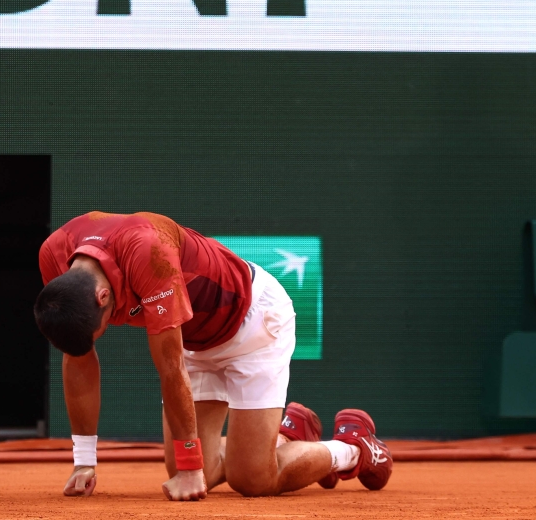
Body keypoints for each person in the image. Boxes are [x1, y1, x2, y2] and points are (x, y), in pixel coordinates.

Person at [34, 212, 392, 501]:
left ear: (101, 297)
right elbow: (78, 358)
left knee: (253, 480)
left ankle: (354, 449)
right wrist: (84, 463)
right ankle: (285, 438)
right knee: (185, 470)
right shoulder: (55, 254)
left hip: (253, 325)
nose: (105, 331)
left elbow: (171, 368)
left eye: (103, 328)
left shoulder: (148, 251)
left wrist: (192, 468)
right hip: (194, 340)